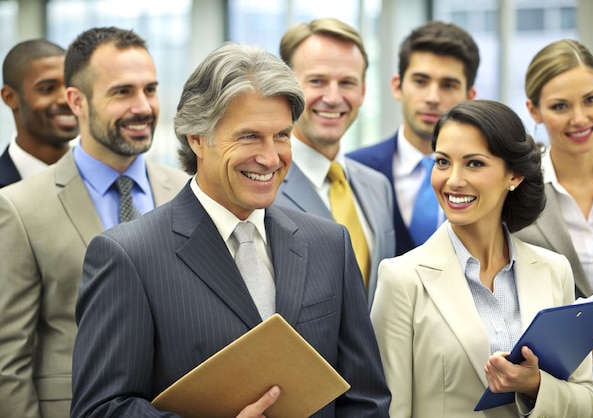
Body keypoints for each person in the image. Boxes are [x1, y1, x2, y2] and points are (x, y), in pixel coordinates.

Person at [70, 42, 391, 418]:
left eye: (282, 135)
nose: (271, 158)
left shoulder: (329, 244)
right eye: (249, 136)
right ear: (196, 138)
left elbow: (365, 400)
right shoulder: (128, 255)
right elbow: (100, 409)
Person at [0, 27, 188, 418]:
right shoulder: (18, 207)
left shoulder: (186, 190)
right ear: (76, 101)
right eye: (122, 92)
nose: (143, 107)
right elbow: (8, 361)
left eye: (150, 90)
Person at [370, 100, 593, 417]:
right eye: (442, 162)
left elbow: (586, 400)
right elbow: (392, 410)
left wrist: (535, 386)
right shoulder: (402, 279)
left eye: (474, 163)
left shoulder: (553, 270)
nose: (453, 180)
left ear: (514, 175)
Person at [516, 39, 593, 418]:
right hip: (549, 396)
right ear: (534, 110)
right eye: (560, 106)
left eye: (590, 99)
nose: (579, 119)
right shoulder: (511, 194)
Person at [274, 17, 395, 306]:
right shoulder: (263, 189)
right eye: (317, 81)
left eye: (347, 83)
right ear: (286, 86)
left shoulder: (378, 186)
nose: (333, 97)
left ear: (363, 91)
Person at [348, 21, 479, 255]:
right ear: (398, 86)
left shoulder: (488, 177)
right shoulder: (352, 170)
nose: (432, 97)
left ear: (469, 96)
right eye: (420, 81)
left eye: (448, 85)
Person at [0, 39, 78, 187]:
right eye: (47, 88)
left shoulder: (109, 181)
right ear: (9, 98)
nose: (66, 100)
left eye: (71, 87)